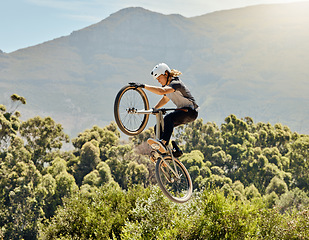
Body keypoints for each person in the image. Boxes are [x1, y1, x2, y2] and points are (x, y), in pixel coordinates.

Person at [131, 63, 199, 155]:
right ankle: (168, 153)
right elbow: (165, 98)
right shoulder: (167, 87)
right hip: (182, 112)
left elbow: (161, 91)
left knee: (168, 118)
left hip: (190, 112)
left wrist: (143, 86)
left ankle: (163, 143)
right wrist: (155, 108)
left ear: (166, 74)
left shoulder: (176, 84)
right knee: (158, 127)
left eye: (159, 78)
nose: (158, 81)